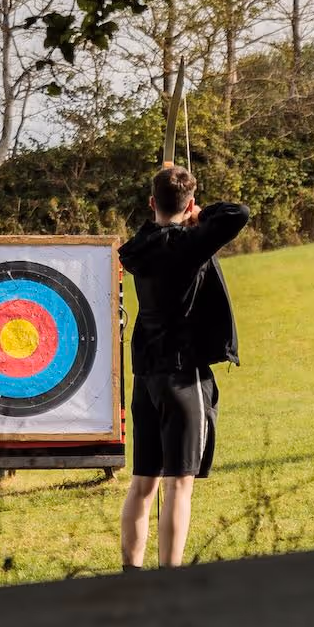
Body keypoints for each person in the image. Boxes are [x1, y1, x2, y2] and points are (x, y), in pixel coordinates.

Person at [116, 164, 247, 570]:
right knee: (179, 485)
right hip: (182, 373)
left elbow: (152, 230)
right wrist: (200, 215)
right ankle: (170, 576)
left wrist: (179, 211)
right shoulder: (188, 245)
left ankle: (130, 571)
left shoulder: (140, 246)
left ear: (152, 203)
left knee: (143, 483)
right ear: (189, 204)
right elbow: (236, 213)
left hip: (146, 376)